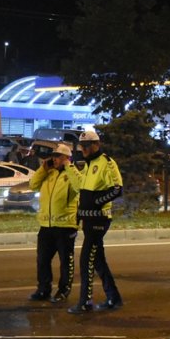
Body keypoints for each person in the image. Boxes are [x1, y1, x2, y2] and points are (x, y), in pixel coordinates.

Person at [68, 129, 124, 313]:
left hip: (99, 219)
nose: (83, 149)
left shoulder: (106, 163)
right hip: (88, 220)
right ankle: (114, 298)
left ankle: (85, 302)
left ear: (96, 145)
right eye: (81, 146)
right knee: (98, 260)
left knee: (86, 260)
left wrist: (96, 203)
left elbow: (117, 189)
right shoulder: (87, 165)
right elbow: (83, 192)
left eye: (86, 146)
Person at [27, 143, 83, 303]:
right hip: (46, 226)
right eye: (54, 156)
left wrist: (69, 167)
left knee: (66, 261)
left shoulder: (72, 174)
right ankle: (43, 289)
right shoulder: (48, 173)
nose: (54, 159)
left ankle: (64, 290)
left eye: (58, 156)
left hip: (65, 226)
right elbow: (33, 185)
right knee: (42, 260)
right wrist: (43, 168)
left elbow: (80, 186)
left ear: (66, 158)